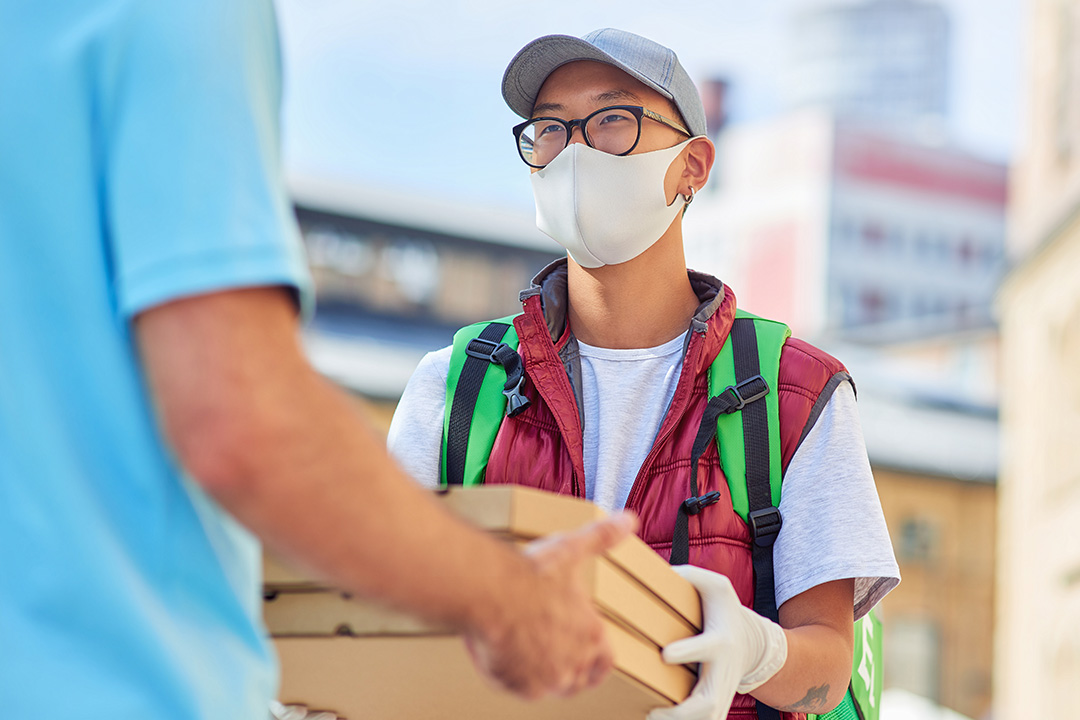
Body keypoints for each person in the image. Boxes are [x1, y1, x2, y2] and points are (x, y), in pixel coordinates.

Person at [0, 3, 633, 718]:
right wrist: (508, 599)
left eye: (613, 120)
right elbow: (241, 421)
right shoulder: (169, 15)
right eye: (552, 127)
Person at [388, 28, 900, 720]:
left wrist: (757, 651)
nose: (573, 151)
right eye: (549, 129)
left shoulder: (795, 395)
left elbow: (830, 668)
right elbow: (384, 617)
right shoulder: (454, 390)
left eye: (612, 121)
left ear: (693, 166)